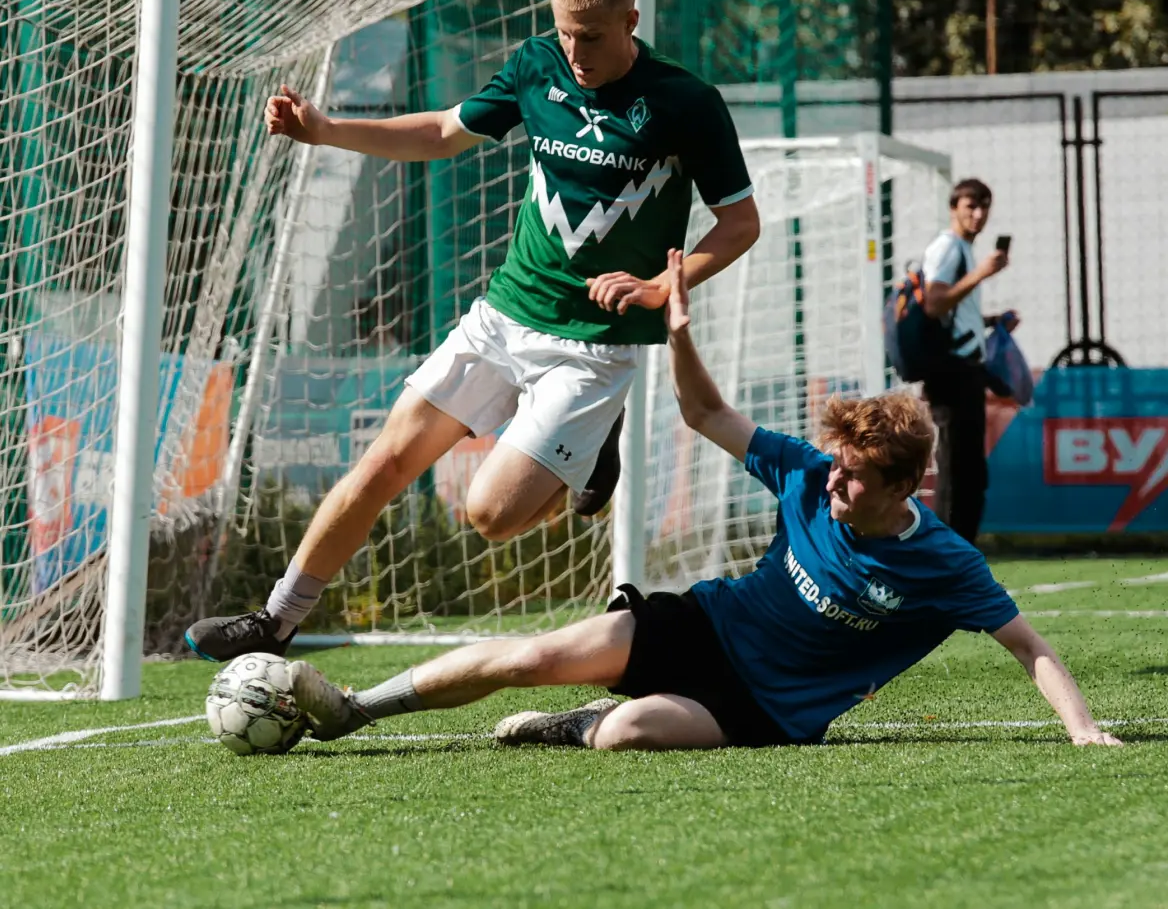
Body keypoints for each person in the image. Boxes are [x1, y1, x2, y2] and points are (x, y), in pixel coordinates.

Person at [282, 248, 1121, 751]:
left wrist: (1082, 727)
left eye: (855, 474)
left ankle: (572, 723)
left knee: (625, 735)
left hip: (764, 709)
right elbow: (706, 412)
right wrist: (677, 331)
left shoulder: (942, 560)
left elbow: (1028, 645)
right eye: (835, 463)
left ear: (903, 486)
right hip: (700, 623)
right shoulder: (802, 472)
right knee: (525, 656)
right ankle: (356, 707)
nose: (834, 479)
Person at [185, 0, 760, 663]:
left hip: (594, 346)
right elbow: (439, 133)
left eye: (592, 35)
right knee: (386, 460)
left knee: (487, 514)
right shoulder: (537, 66)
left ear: (631, 21)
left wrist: (660, 287)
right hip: (503, 314)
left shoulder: (687, 102)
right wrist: (326, 128)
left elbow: (740, 223)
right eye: (565, 33)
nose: (575, 52)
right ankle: (275, 619)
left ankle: (587, 451)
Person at [920, 178, 1019, 545]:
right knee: (957, 472)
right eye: (970, 206)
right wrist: (982, 273)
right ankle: (947, 555)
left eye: (984, 207)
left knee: (970, 474)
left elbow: (954, 313)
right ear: (954, 208)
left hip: (965, 372)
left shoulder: (961, 249)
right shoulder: (948, 247)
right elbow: (934, 302)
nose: (978, 214)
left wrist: (993, 321)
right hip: (952, 373)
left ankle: (957, 554)